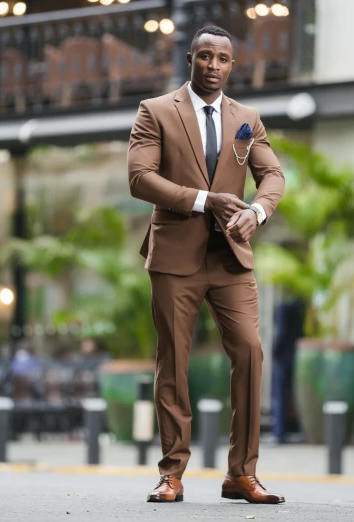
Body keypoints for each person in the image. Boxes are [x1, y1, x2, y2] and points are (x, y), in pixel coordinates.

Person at [127, 25, 285, 504]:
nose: (213, 66)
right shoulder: (155, 112)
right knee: (174, 362)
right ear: (190, 60)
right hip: (175, 256)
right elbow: (140, 178)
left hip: (230, 258)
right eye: (205, 57)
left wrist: (255, 213)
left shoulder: (247, 118)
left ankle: (241, 474)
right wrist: (203, 201)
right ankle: (172, 473)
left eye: (222, 59)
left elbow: (273, 174)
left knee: (251, 352)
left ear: (231, 66)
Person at [270, 296, 305, 444]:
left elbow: (282, 332)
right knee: (293, 395)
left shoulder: (283, 308)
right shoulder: (299, 309)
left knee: (279, 395)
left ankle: (279, 433)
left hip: (283, 358)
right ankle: (290, 430)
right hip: (296, 356)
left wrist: (275, 351)